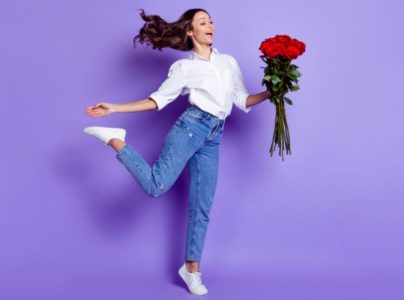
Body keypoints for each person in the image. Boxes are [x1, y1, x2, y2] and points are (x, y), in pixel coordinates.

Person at [83, 8, 270, 295]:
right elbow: (157, 101)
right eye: (202, 22)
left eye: (211, 21)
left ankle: (192, 269)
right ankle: (116, 140)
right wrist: (115, 108)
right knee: (157, 185)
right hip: (190, 129)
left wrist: (272, 92)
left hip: (213, 135)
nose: (210, 26)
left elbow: (242, 99)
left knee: (202, 206)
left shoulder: (228, 63)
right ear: (190, 32)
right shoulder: (184, 68)